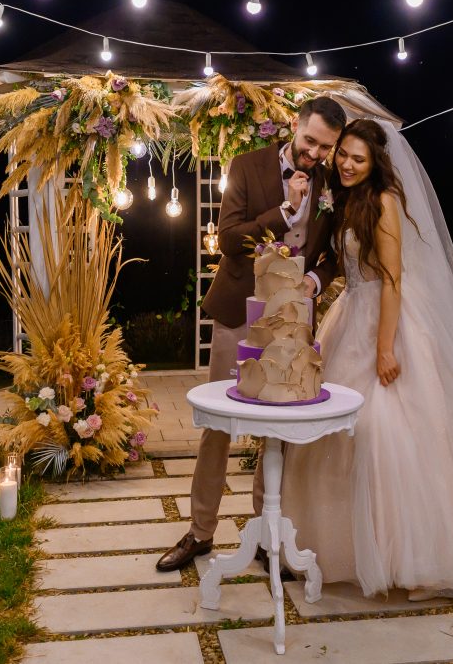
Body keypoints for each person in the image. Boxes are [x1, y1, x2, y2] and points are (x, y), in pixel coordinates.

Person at [281, 118, 453, 598]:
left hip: (386, 318)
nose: (347, 164)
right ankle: (342, 546)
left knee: (386, 432)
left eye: (358, 159)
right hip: (350, 316)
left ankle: (412, 554)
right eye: (343, 155)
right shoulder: (343, 200)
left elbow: (393, 280)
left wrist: (386, 348)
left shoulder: (383, 203)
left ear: (375, 163)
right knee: (338, 434)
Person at [155, 96, 347, 572]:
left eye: (325, 147)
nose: (315, 154)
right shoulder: (246, 165)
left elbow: (336, 253)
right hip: (239, 310)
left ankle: (265, 530)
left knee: (278, 428)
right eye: (309, 142)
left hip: (295, 319)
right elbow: (228, 240)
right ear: (293, 127)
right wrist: (285, 209)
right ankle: (200, 533)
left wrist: (315, 281)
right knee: (220, 423)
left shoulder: (333, 182)